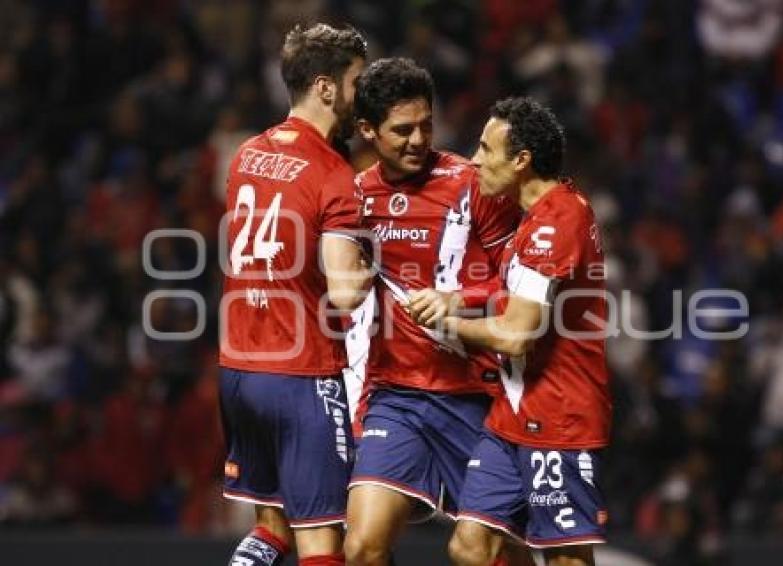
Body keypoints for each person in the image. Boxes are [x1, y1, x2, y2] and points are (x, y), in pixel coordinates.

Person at [409, 97, 612, 566]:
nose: (475, 159)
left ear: (521, 161)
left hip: (560, 416)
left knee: (565, 558)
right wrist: (457, 298)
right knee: (470, 546)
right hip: (512, 415)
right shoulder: (535, 216)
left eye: (486, 149)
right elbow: (510, 293)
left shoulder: (556, 223)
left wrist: (446, 324)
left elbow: (518, 335)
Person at [341, 58, 528, 566]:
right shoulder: (354, 198)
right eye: (402, 130)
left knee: (497, 553)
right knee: (360, 548)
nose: (418, 139)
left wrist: (458, 297)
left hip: (474, 397)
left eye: (426, 124)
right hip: (395, 398)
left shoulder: (474, 184)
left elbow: (522, 287)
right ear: (367, 130)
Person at [218, 23, 371, 566]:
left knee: (272, 527)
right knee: (322, 543)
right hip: (301, 375)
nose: (364, 96)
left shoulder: (246, 156)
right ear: (327, 88)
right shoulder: (334, 175)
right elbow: (347, 291)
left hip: (239, 370)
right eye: (358, 82)